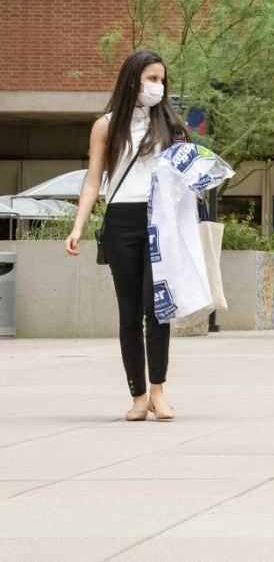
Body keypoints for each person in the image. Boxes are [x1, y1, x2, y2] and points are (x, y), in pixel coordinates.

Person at [66, 51, 187, 422]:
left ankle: (158, 392)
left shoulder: (171, 125)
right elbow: (92, 180)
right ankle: (137, 396)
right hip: (120, 220)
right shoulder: (107, 125)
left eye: (161, 80)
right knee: (130, 313)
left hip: (158, 219)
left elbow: (186, 179)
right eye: (151, 78)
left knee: (157, 308)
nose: (158, 86)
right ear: (133, 79)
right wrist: (78, 227)